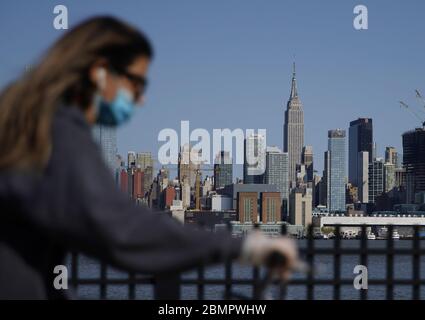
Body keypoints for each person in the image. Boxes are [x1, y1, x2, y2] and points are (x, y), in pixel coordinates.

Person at [0, 16, 298, 300]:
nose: (141, 99)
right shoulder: (58, 132)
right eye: (136, 84)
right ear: (100, 72)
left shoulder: (24, 121)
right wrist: (246, 245)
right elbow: (121, 229)